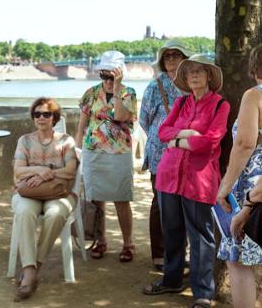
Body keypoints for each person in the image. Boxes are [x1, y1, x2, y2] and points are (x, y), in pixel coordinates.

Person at [143, 54, 230, 308]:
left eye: (199, 71)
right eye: (190, 72)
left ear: (209, 77)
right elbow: (162, 131)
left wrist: (178, 140)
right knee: (171, 231)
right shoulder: (181, 104)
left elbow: (210, 141)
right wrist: (188, 134)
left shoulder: (219, 105)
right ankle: (172, 280)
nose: (194, 75)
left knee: (200, 236)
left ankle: (203, 293)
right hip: (168, 176)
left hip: (199, 180)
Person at [12, 97, 78, 301]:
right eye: (37, 114)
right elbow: (18, 171)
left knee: (56, 213)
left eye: (46, 114)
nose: (41, 118)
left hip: (58, 192)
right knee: (23, 212)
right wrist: (40, 170)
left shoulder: (66, 141)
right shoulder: (25, 140)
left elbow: (70, 171)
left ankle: (34, 265)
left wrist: (46, 173)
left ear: (54, 117)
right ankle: (30, 270)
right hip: (29, 193)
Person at [75, 50, 137, 262]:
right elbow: (81, 126)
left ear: (120, 74)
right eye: (105, 76)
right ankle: (100, 241)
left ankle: (128, 243)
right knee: (97, 199)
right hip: (93, 152)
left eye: (112, 76)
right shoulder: (90, 93)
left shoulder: (128, 93)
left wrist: (118, 87)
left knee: (122, 199)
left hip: (119, 153)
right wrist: (76, 150)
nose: (108, 81)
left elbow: (120, 116)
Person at [216, 44, 262, 308]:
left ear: (255, 68)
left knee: (240, 259)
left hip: (252, 189)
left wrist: (225, 185)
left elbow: (245, 144)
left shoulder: (254, 96)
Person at [139, 40, 190, 270]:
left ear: (184, 59)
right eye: (167, 56)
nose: (171, 59)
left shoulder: (192, 84)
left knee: (184, 204)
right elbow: (144, 119)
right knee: (160, 204)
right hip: (161, 154)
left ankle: (180, 253)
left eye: (175, 55)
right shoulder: (154, 86)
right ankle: (159, 254)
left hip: (188, 152)